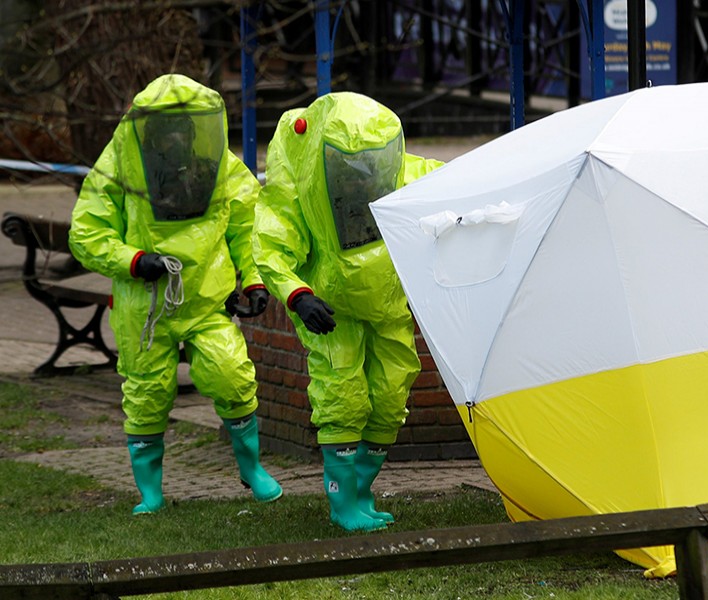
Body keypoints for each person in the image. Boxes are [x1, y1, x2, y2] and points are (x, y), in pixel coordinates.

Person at [68, 73, 282, 515]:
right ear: (148, 130)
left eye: (185, 128)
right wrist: (132, 260)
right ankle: (151, 492)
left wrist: (255, 280)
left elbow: (248, 226)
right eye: (168, 130)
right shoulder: (119, 166)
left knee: (231, 376)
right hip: (144, 307)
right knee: (147, 395)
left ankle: (252, 469)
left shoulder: (219, 166)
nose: (177, 138)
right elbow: (86, 232)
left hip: (205, 298)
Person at [253, 92, 443, 532]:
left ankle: (360, 492)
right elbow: (270, 245)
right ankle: (343, 504)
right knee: (343, 395)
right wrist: (298, 295)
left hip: (386, 303)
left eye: (369, 166)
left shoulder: (400, 171)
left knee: (392, 393)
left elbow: (456, 186)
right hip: (332, 308)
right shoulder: (303, 186)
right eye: (350, 168)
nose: (360, 177)